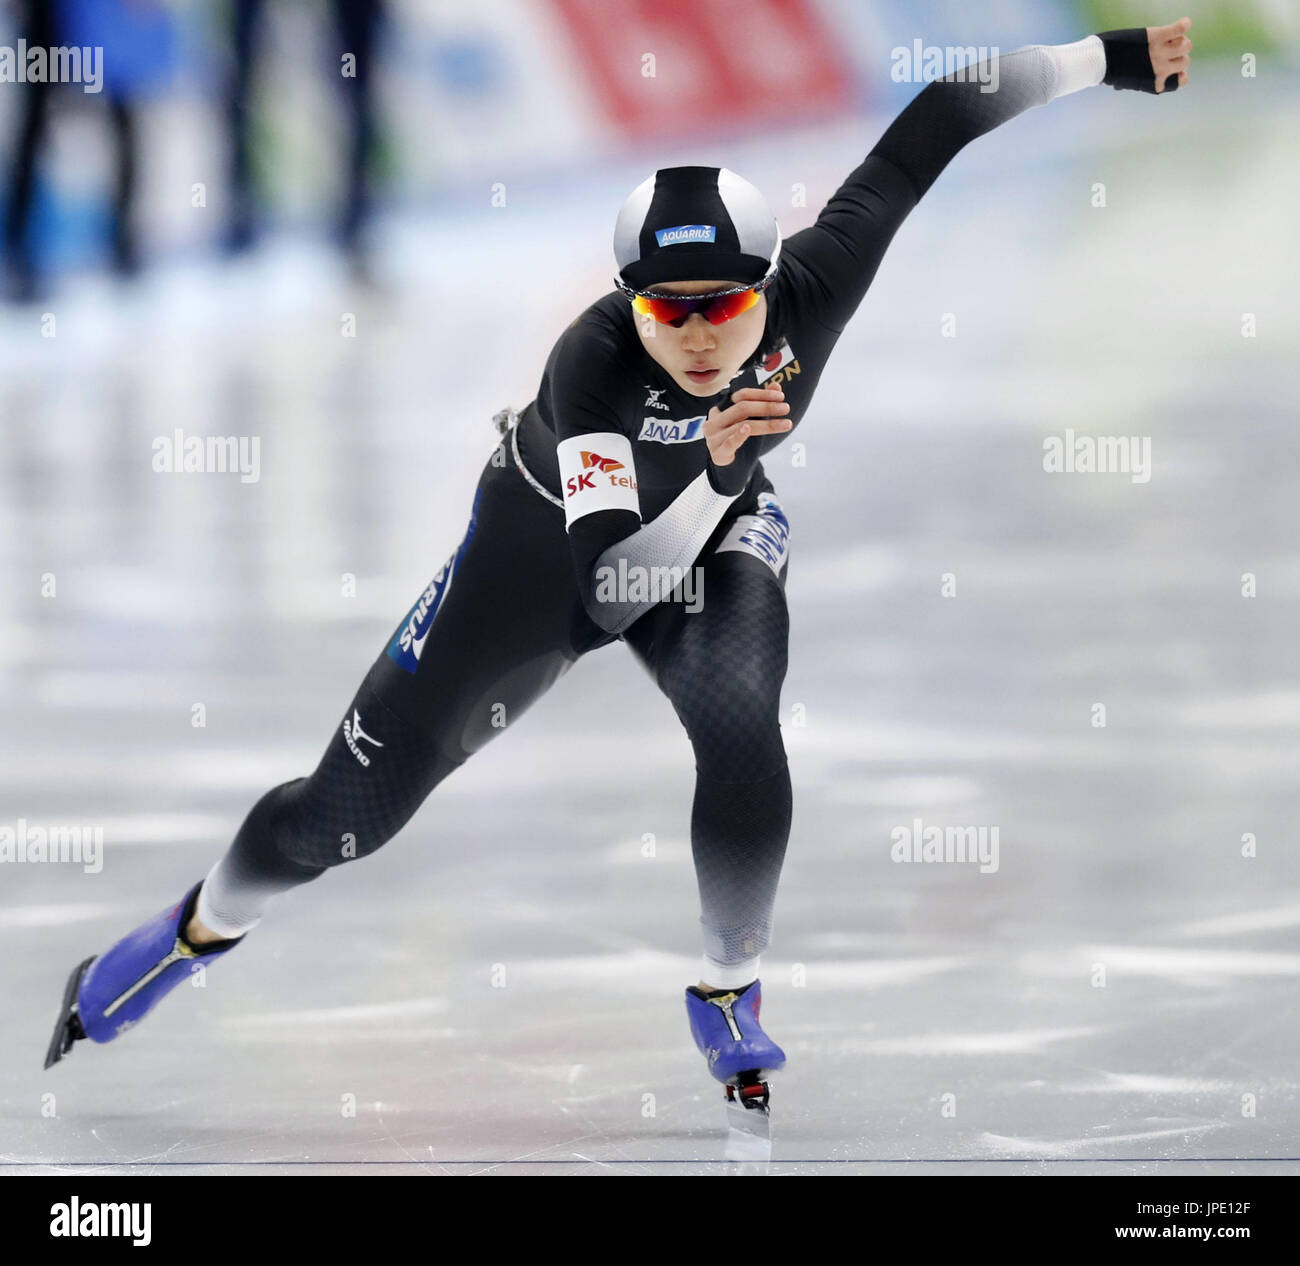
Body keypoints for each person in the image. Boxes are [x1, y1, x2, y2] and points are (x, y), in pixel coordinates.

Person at [46, 21, 1193, 1112]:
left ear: (771, 280)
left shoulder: (818, 279)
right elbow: (608, 590)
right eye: (666, 310)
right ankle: (189, 934)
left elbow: (943, 113)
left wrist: (1112, 57)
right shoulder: (588, 368)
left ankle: (728, 988)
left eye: (723, 305)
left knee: (739, 710)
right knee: (341, 822)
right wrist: (712, 453)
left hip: (717, 521)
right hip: (546, 556)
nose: (697, 333)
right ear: (627, 302)